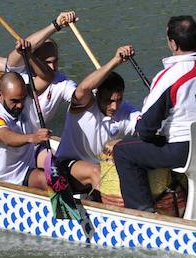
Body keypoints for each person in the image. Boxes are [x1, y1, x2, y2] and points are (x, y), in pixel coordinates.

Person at [113, 16, 196, 212]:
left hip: (182, 152)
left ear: (173, 43)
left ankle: (142, 214)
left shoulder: (168, 76)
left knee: (123, 151)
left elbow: (145, 130)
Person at [54, 45, 141, 205]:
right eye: (108, 100)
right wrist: (116, 60)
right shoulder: (84, 105)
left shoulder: (126, 111)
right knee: (97, 172)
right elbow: (83, 87)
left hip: (101, 166)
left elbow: (146, 127)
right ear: (97, 93)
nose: (114, 107)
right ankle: (118, 218)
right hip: (66, 168)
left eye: (118, 100)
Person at [0, 62, 53, 188]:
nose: (20, 105)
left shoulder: (20, 95)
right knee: (46, 180)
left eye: (23, 99)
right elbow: (6, 137)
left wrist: (30, 56)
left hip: (24, 171)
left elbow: (46, 78)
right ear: (0, 95)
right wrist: (32, 138)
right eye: (14, 101)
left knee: (54, 176)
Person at [5, 11, 79, 123]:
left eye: (55, 61)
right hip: (6, 127)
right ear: (34, 60)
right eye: (48, 62)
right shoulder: (18, 72)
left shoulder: (61, 82)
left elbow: (80, 96)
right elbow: (26, 45)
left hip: (34, 136)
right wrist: (57, 25)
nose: (53, 67)